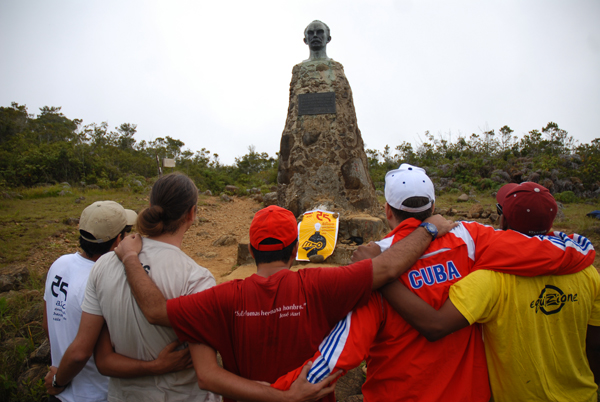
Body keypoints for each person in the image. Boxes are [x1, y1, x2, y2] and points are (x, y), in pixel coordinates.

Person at [269, 164, 595, 402]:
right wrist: (582, 247)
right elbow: (544, 251)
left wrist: (280, 390)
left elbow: (340, 350)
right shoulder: (472, 239)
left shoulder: (375, 264)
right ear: (434, 207)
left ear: (387, 211)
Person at [114, 203, 457, 402]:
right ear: (295, 251)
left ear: (251, 250)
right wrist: (429, 229)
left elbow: (156, 311)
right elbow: (387, 267)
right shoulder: (324, 284)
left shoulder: (220, 298)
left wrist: (131, 257)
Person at [380, 181, 600, 401]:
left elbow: (435, 326)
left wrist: (383, 276)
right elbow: (595, 345)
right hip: (583, 394)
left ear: (503, 219)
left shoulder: (491, 278)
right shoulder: (587, 272)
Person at [46, 173, 218, 402]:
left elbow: (103, 361)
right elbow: (207, 368)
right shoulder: (197, 279)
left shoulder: (104, 265)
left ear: (150, 205)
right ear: (191, 213)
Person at [42, 200, 136, 402]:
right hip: (93, 394)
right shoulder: (105, 280)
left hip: (60, 393)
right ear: (119, 240)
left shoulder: (59, 265)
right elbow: (80, 354)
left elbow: (47, 324)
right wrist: (59, 381)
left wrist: (59, 369)